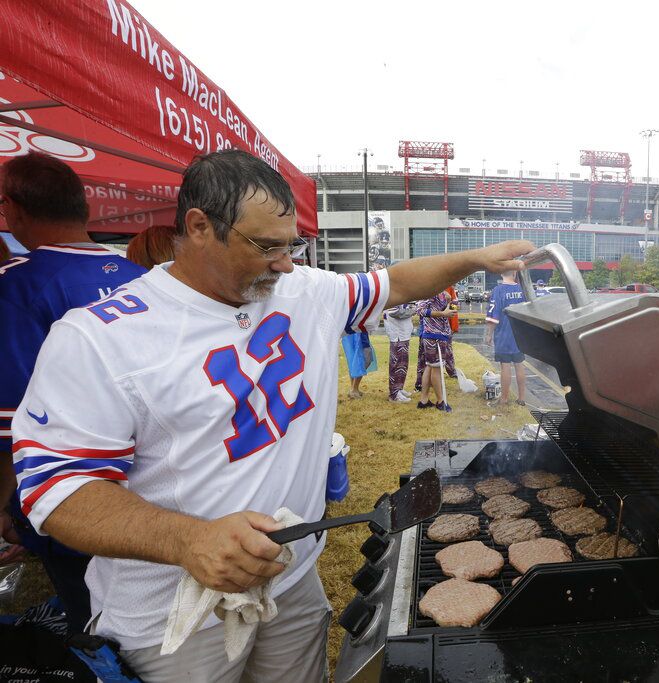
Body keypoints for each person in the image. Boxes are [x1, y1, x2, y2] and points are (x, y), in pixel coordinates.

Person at [10, 149, 532, 681]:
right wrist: (188, 539)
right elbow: (58, 491)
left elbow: (393, 283)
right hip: (174, 615)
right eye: (267, 247)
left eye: (293, 246)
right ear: (198, 227)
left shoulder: (302, 290)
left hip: (291, 579)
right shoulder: (99, 338)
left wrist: (475, 259)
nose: (286, 264)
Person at [0, 152, 147, 633]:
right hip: (150, 485)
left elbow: (13, 420)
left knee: (98, 625)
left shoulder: (18, 287)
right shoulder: (141, 277)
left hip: (76, 500)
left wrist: (9, 506)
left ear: (14, 209)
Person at [485, 270, 528, 406]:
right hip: (520, 334)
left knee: (505, 366)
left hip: (503, 334)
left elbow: (493, 316)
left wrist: (489, 334)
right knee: (519, 364)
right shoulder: (522, 290)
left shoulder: (498, 290)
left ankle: (504, 399)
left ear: (501, 273)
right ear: (514, 273)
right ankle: (521, 398)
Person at [416, 289, 456, 412]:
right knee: (437, 367)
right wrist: (443, 314)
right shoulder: (428, 289)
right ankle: (440, 401)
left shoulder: (442, 291)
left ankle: (424, 400)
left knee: (429, 366)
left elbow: (450, 307)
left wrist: (448, 301)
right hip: (433, 334)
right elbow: (420, 310)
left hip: (440, 334)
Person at [383, 303, 416, 402]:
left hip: (403, 333)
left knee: (403, 364)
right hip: (397, 334)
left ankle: (399, 388)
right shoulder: (393, 295)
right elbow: (395, 312)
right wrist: (413, 310)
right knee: (396, 364)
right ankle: (394, 394)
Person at [341, 330, 377, 399]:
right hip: (358, 334)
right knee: (364, 360)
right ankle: (354, 389)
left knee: (354, 360)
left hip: (350, 334)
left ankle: (353, 388)